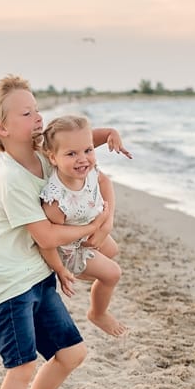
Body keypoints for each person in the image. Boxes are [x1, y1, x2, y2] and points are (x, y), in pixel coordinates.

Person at [0, 74, 131, 389]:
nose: (38, 117)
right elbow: (45, 235)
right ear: (2, 128)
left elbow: (81, 138)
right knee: (21, 367)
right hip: (9, 283)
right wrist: (93, 226)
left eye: (37, 109)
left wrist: (110, 135)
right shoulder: (10, 177)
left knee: (72, 353)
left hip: (36, 272)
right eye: (27, 113)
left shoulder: (43, 150)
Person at [37, 115, 126, 337]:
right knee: (113, 274)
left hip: (89, 229)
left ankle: (90, 274)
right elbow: (48, 241)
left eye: (88, 150)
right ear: (53, 158)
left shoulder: (89, 171)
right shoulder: (57, 201)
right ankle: (97, 313)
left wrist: (106, 223)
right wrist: (60, 269)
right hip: (71, 250)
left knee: (112, 250)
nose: (82, 159)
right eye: (71, 154)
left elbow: (105, 182)